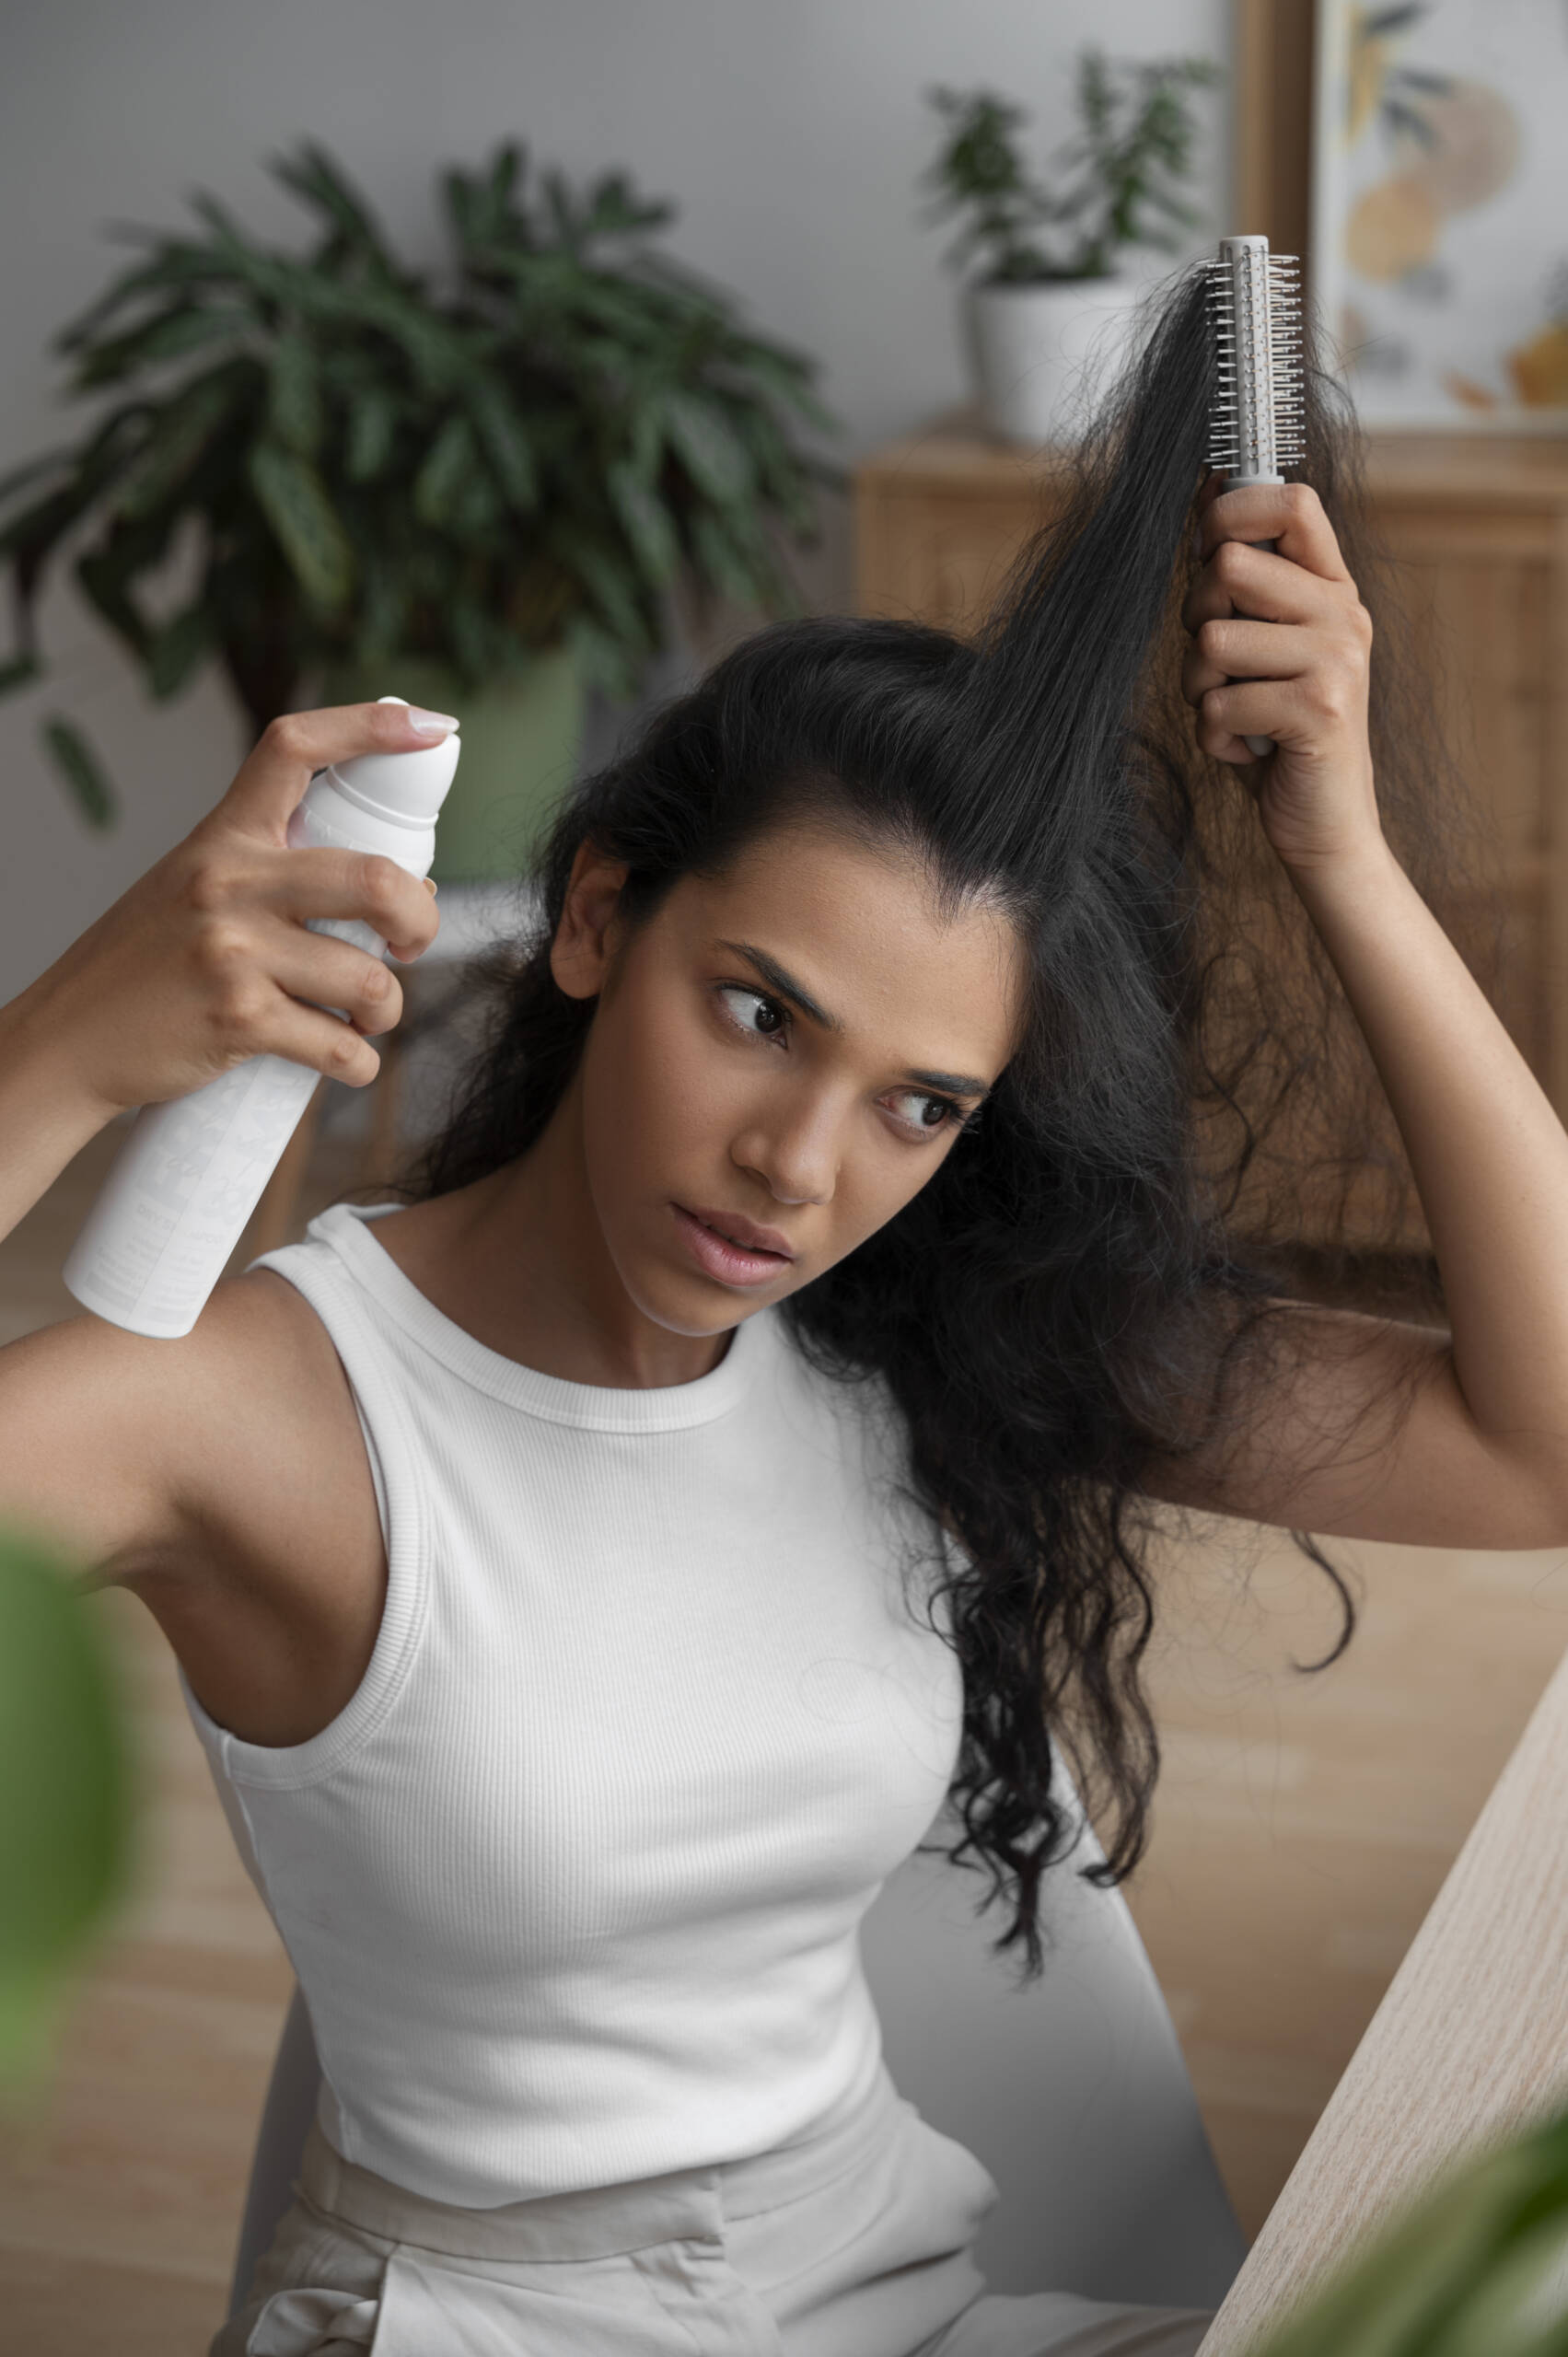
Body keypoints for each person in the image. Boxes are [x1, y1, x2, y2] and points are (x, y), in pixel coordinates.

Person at [5, 267, 1567, 2357]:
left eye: (920, 1100)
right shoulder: (265, 1405)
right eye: (759, 1013)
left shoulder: (904, 1333)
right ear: (592, 918)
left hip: (904, 2294)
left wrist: (1348, 857)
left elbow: (1534, 1442)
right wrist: (57, 1054)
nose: (801, 1169)